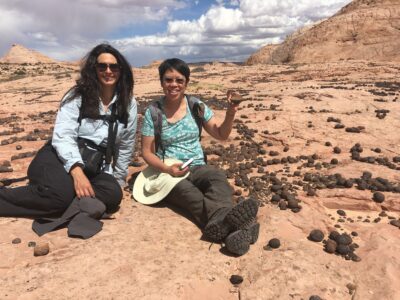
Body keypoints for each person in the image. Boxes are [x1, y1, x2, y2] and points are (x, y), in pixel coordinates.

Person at [0, 44, 137, 231]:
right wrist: (76, 171)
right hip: (58, 156)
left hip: (94, 164)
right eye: (102, 66)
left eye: (114, 67)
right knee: (58, 198)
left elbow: (126, 144)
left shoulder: (128, 103)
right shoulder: (78, 96)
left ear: (121, 70)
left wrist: (119, 179)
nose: (108, 71)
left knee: (112, 194)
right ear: (93, 69)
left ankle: (57, 193)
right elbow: (63, 135)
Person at [139, 58, 259, 256]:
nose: (174, 85)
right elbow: (146, 152)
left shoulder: (197, 106)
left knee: (217, 179)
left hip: (197, 165)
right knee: (189, 192)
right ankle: (240, 227)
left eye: (179, 80)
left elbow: (221, 134)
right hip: (169, 170)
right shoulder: (154, 112)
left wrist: (231, 112)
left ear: (186, 83)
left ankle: (223, 227)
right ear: (161, 82)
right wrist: (168, 169)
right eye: (168, 80)